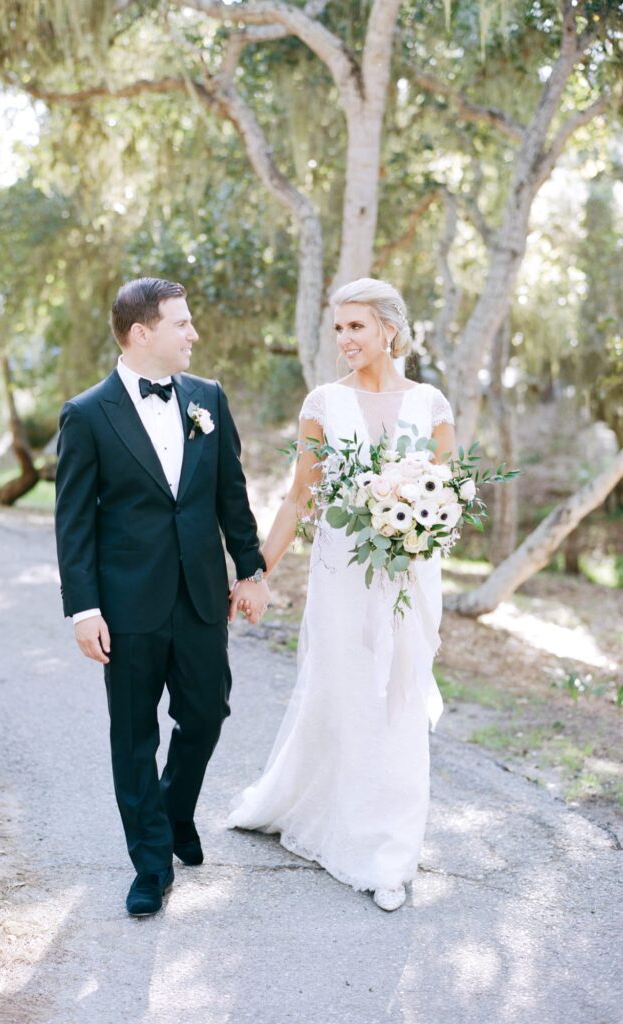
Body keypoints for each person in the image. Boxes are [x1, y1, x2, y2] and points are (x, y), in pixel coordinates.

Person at [228, 278, 456, 912]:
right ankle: (340, 822)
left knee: (400, 697)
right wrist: (257, 572)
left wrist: (419, 526)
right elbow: (299, 499)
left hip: (408, 576)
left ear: (390, 328)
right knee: (347, 690)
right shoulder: (324, 402)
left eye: (357, 326)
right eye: (338, 328)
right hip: (342, 575)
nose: (345, 339)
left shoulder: (431, 404)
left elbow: (450, 496)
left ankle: (390, 851)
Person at [54, 277, 270, 917]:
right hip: (126, 605)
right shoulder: (88, 414)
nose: (193, 334)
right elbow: (74, 522)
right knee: (133, 735)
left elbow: (231, 492)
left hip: (202, 594)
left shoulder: (208, 398)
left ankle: (175, 811)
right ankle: (151, 863)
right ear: (142, 333)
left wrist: (251, 568)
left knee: (208, 712)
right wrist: (84, 609)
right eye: (182, 323)